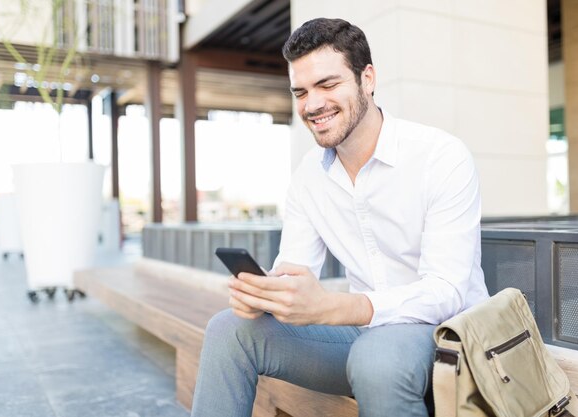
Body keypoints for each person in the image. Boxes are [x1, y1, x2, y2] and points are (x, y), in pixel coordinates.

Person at [191, 17, 489, 417]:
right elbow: (294, 269)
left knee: (377, 358)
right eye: (301, 92)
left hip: (447, 338)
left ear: (367, 79)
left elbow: (446, 292)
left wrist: (334, 308)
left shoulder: (440, 157)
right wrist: (265, 295)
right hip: (361, 337)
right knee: (229, 330)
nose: (313, 105)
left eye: (328, 85)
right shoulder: (308, 177)